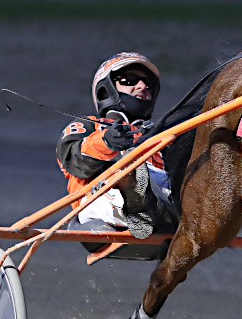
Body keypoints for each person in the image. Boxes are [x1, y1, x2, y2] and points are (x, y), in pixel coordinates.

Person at [56, 52, 171, 240]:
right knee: (125, 175)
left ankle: (149, 203)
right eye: (130, 80)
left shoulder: (160, 133)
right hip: (97, 198)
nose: (141, 86)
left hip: (161, 191)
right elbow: (73, 161)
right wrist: (107, 142)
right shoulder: (88, 125)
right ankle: (136, 201)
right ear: (106, 90)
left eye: (148, 84)